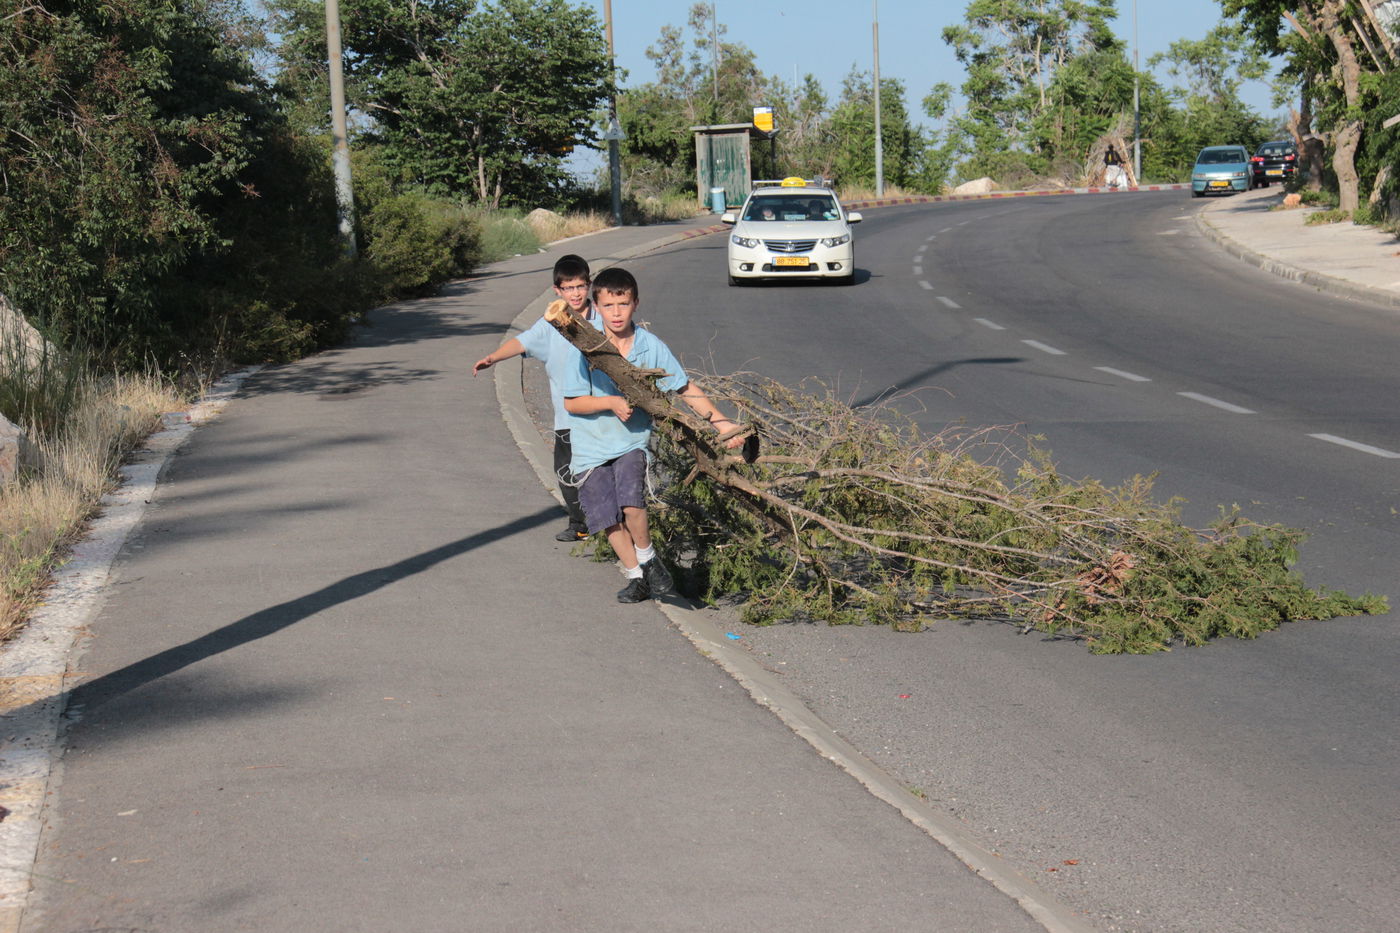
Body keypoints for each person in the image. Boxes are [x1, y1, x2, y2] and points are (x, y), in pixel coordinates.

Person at [561, 267, 742, 604]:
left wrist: (722, 424)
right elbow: (572, 402)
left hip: (631, 441)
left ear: (636, 303)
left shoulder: (650, 346)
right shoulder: (586, 347)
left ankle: (647, 558)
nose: (617, 313)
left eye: (624, 304)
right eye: (609, 306)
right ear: (596, 307)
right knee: (606, 517)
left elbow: (684, 387)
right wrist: (610, 402)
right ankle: (637, 575)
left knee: (631, 502)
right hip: (590, 447)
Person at [473, 254, 598, 542]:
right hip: (567, 416)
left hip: (602, 414)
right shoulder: (550, 323)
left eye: (580, 286)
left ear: (589, 285)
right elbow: (524, 341)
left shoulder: (602, 318)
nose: (576, 293)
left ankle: (609, 523)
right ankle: (580, 524)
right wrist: (493, 357)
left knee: (599, 471)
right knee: (566, 472)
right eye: (569, 288)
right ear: (557, 290)